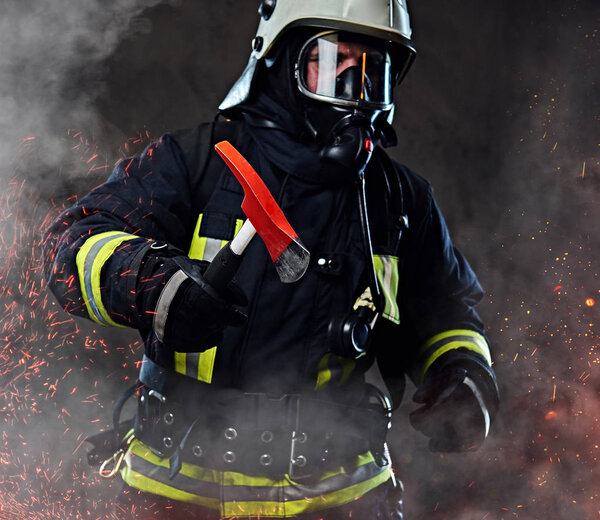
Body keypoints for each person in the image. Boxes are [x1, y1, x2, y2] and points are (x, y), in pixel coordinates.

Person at [43, 1, 500, 518]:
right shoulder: (197, 162)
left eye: (375, 70)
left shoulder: (399, 199)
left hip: (340, 497)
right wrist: (156, 286)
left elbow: (446, 309)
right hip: (178, 493)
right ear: (280, 63)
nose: (355, 90)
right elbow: (73, 245)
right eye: (332, 63)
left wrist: (461, 371)